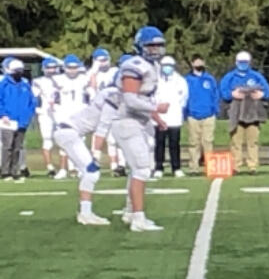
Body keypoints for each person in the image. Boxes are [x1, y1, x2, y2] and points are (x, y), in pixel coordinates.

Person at [112, 28, 171, 231]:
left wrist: (156, 117)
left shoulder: (151, 65)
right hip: (127, 121)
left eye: (158, 45)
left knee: (142, 167)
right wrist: (156, 109)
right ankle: (138, 218)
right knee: (142, 169)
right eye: (150, 45)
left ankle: (130, 212)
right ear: (140, 46)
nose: (155, 49)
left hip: (140, 121)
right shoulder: (134, 65)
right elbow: (130, 99)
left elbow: (144, 98)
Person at [52, 78, 118, 225]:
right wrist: (96, 155)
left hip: (67, 131)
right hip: (69, 132)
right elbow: (101, 130)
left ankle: (85, 212)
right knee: (92, 172)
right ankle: (85, 214)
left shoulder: (109, 93)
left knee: (89, 173)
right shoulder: (113, 98)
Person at [220, 51, 269, 174]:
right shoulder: (229, 77)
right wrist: (232, 94)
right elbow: (223, 92)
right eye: (241, 62)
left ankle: (252, 166)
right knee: (236, 141)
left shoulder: (256, 76)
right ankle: (236, 166)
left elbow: (268, 92)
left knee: (252, 141)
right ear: (236, 62)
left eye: (245, 62)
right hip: (236, 114)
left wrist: (261, 94)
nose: (243, 64)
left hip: (253, 114)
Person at [0, 58, 37, 181]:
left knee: (18, 147)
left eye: (20, 70)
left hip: (22, 120)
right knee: (7, 146)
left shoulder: (25, 84)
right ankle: (5, 172)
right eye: (16, 70)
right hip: (7, 120)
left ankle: (15, 171)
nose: (18, 73)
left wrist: (28, 114)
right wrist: (3, 114)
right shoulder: (4, 84)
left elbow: (32, 101)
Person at [153, 56, 189, 178]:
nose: (167, 68)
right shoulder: (156, 80)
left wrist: (177, 110)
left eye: (169, 65)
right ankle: (159, 167)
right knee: (159, 143)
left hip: (174, 116)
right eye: (164, 66)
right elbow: (152, 97)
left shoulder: (180, 81)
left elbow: (184, 98)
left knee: (174, 143)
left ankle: (176, 167)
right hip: (159, 117)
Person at [185, 55, 220, 174]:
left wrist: (214, 110)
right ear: (192, 63)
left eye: (201, 62)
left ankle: (209, 167)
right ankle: (193, 167)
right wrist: (187, 112)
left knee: (208, 141)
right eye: (197, 62)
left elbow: (215, 95)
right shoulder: (187, 80)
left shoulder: (210, 79)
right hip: (193, 115)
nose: (199, 64)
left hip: (209, 115)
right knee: (193, 142)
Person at [32, 57, 64, 176]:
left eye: (53, 67)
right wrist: (37, 109)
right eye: (49, 67)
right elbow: (34, 97)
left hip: (61, 112)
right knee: (47, 140)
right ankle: (50, 167)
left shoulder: (63, 79)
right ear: (44, 69)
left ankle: (65, 168)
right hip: (46, 113)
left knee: (63, 140)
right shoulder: (39, 81)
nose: (51, 70)